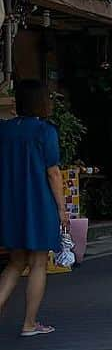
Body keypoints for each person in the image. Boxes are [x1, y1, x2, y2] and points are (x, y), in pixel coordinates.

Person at [0, 80, 68, 336]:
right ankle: (29, 323)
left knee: (16, 261)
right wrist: (61, 209)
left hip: (10, 203)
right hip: (38, 202)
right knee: (39, 261)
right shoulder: (44, 130)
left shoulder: (5, 130)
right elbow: (53, 173)